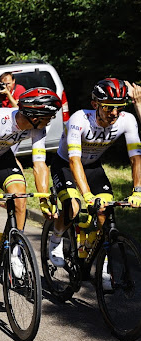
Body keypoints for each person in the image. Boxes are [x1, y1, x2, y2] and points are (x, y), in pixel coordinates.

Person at [0, 87, 60, 285]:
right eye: (48, 115)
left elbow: (39, 164)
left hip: (2, 156)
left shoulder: (38, 127)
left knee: (20, 198)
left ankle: (15, 252)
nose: (51, 119)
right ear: (34, 116)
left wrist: (43, 198)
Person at [47, 79, 141, 288]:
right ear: (95, 104)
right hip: (65, 164)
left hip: (93, 166)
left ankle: (103, 267)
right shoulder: (79, 119)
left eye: (119, 107)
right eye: (109, 107)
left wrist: (138, 190)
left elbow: (136, 157)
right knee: (74, 207)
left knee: (104, 213)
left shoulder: (127, 120)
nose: (114, 114)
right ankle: (55, 238)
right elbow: (74, 160)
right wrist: (87, 195)